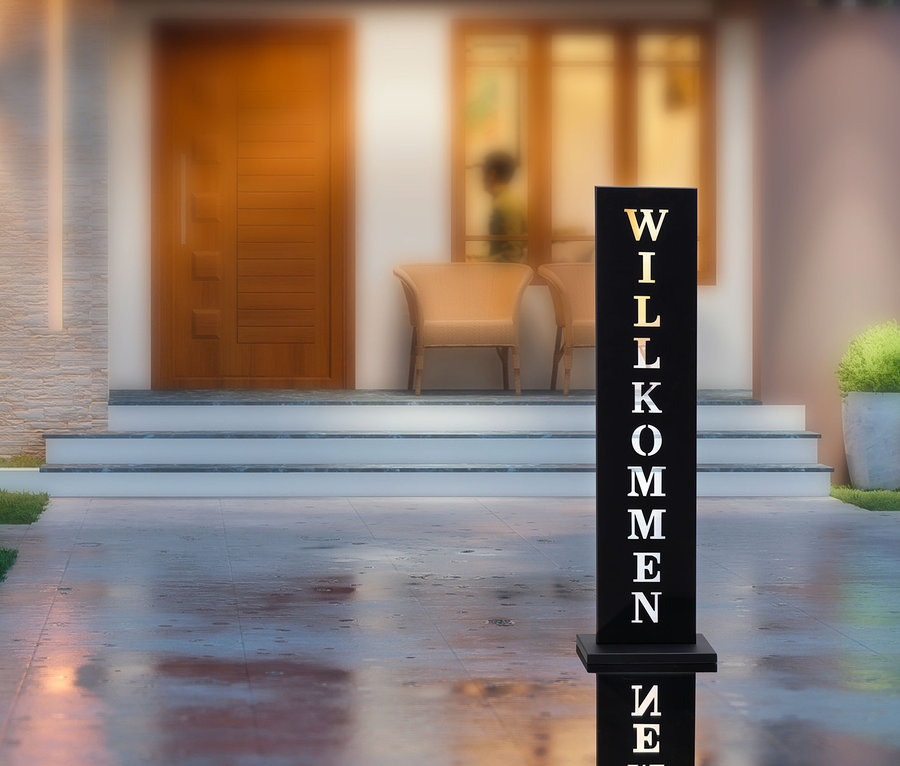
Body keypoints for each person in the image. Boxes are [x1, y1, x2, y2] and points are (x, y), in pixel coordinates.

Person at [481, 150, 526, 263]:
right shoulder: (504, 200)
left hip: (504, 275)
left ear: (492, 174)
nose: (480, 178)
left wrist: (476, 263)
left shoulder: (506, 204)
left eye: (482, 172)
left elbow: (512, 255)